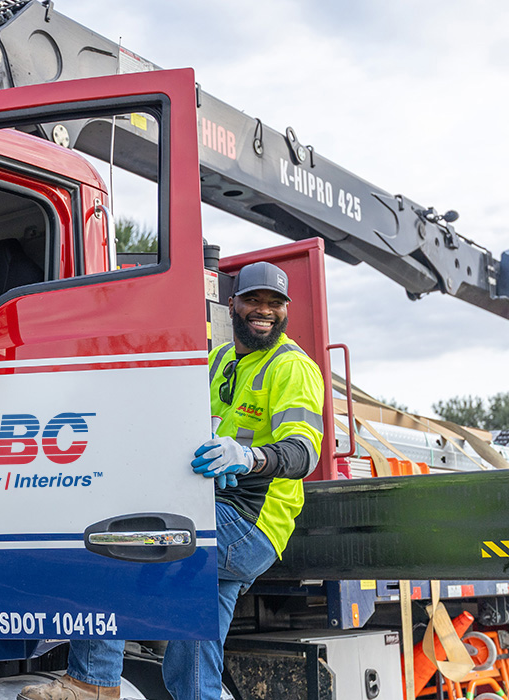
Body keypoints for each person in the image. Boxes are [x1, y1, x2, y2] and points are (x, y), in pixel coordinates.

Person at [18, 261, 325, 700]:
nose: (264, 310)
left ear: (286, 310)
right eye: (254, 299)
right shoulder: (219, 359)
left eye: (275, 303)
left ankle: (94, 682)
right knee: (194, 646)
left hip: (248, 523)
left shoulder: (292, 367)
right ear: (232, 304)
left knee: (114, 542)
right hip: (213, 507)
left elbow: (303, 452)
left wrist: (248, 458)